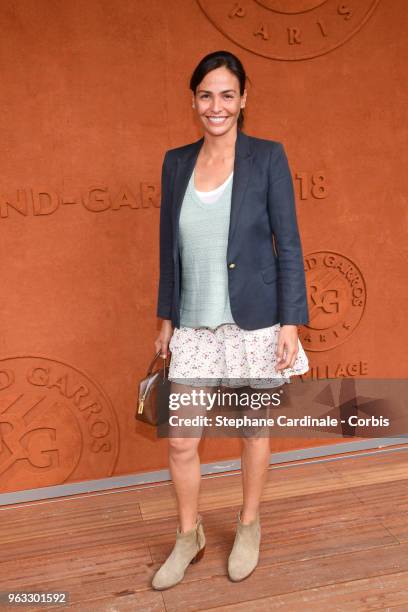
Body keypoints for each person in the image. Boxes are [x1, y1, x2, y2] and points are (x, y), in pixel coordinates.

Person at [152, 50, 310, 590]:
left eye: (226, 94)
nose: (215, 105)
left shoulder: (267, 157)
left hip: (254, 321)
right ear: (193, 100)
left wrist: (290, 321)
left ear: (243, 98)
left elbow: (287, 244)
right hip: (193, 323)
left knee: (251, 429)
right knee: (180, 440)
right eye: (204, 94)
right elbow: (167, 249)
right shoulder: (175, 162)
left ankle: (247, 525)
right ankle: (188, 534)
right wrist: (166, 316)